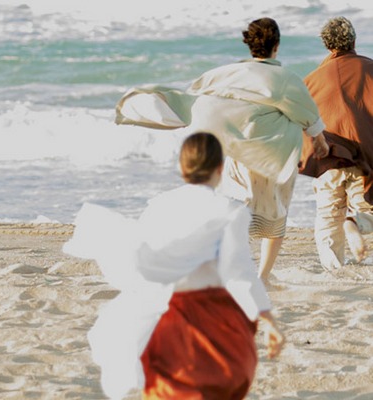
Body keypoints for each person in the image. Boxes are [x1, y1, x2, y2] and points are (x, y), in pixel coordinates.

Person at [64, 132, 284, 399]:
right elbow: (238, 272)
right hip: (211, 315)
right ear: (220, 168)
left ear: (182, 167)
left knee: (167, 389)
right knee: (219, 384)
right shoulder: (230, 211)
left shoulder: (159, 205)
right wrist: (267, 318)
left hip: (164, 313)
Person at [115, 17, 329, 283]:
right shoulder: (285, 78)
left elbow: (197, 91)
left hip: (230, 147)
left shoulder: (226, 72)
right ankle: (261, 276)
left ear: (250, 45)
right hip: (268, 153)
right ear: (277, 45)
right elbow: (305, 112)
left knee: (237, 206)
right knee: (274, 216)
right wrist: (319, 141)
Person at [299, 17, 373, 270]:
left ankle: (334, 271)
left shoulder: (312, 80)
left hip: (328, 156)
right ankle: (356, 222)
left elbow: (301, 119)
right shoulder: (370, 68)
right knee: (367, 210)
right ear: (354, 40)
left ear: (326, 45)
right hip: (364, 156)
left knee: (328, 217)